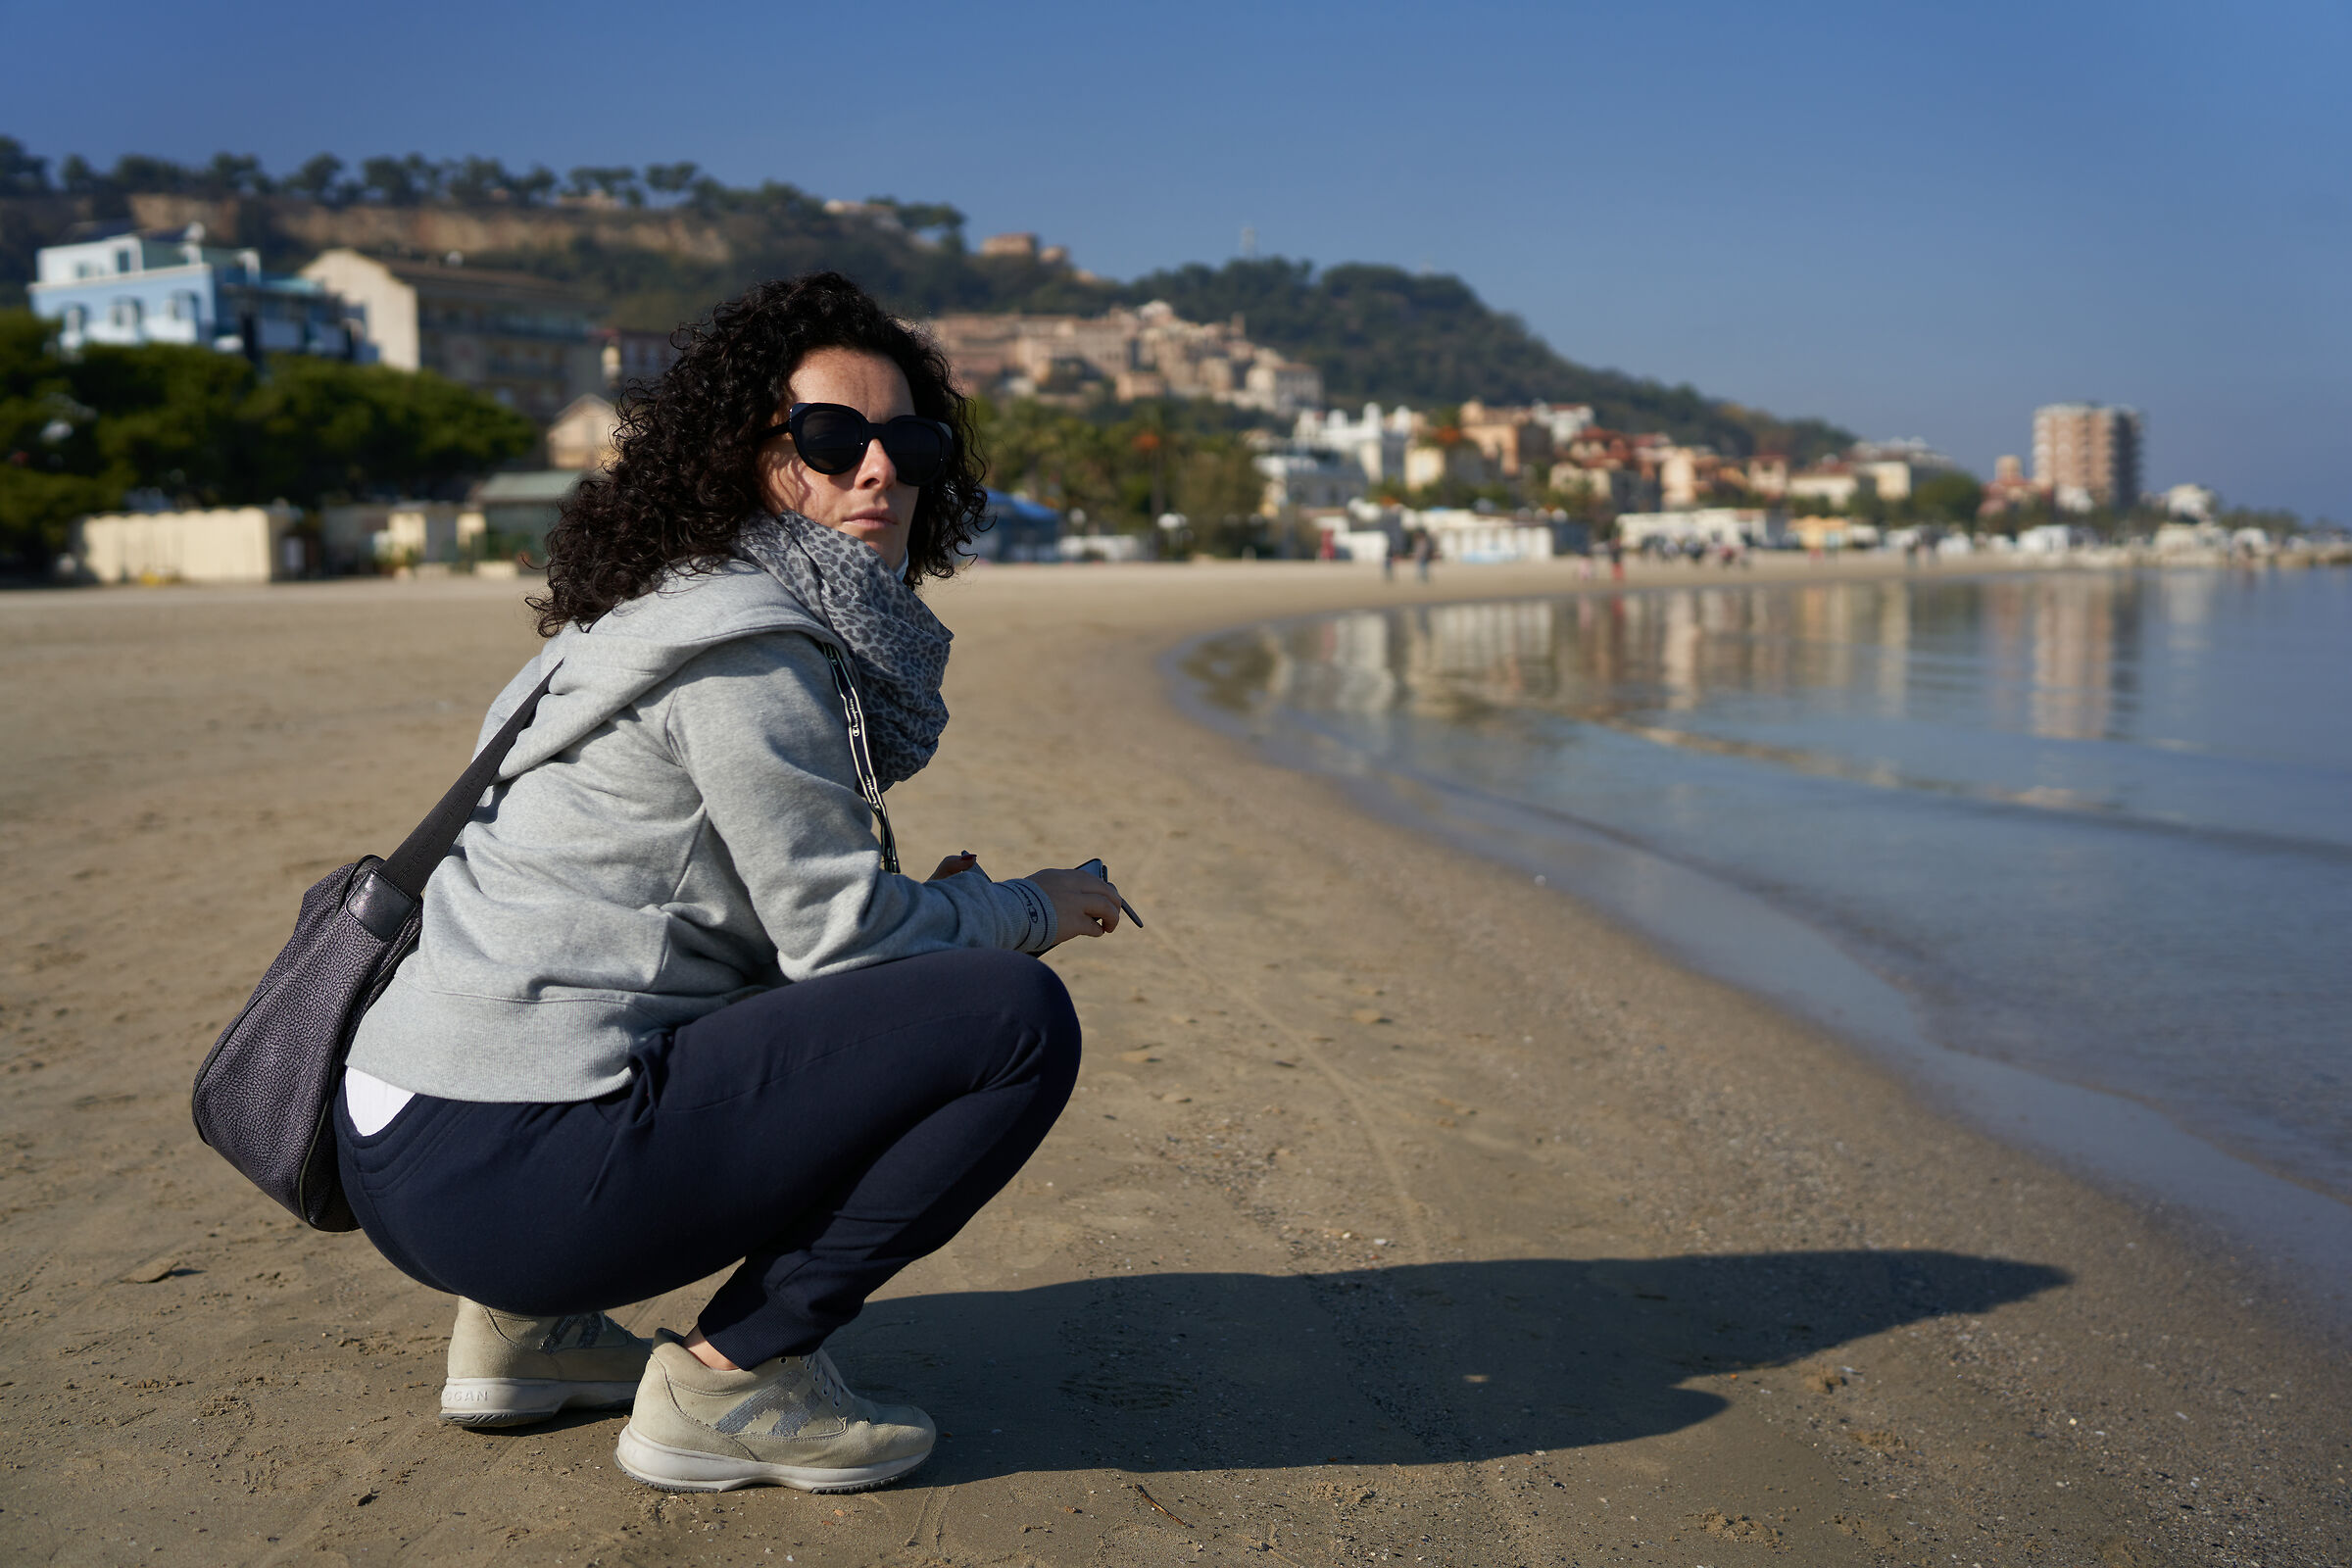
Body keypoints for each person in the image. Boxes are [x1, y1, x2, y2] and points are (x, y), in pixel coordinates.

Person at [333, 271, 1128, 1495]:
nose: (879, 471)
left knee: (915, 985)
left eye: (907, 443)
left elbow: (674, 922)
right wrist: (1024, 909)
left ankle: (523, 1332)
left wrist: (925, 923)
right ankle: (731, 1382)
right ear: (750, 456)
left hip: (397, 1137)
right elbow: (845, 947)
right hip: (505, 1169)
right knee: (1016, 1024)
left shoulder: (632, 619)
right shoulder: (747, 650)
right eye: (831, 437)